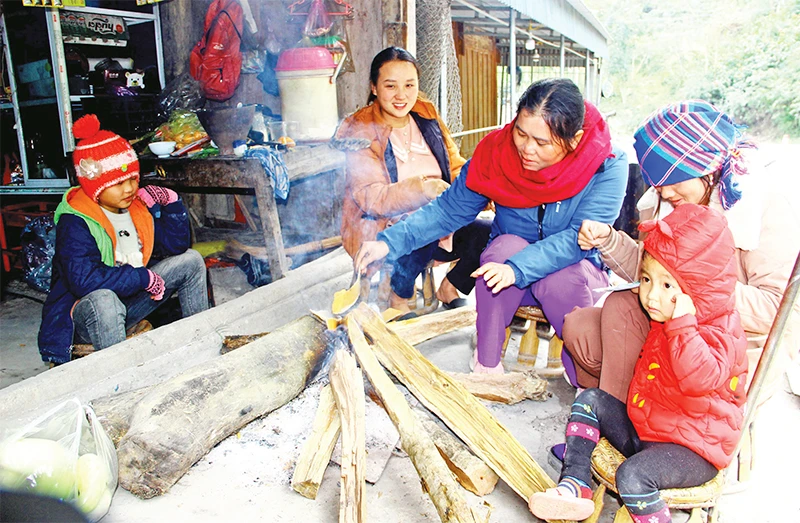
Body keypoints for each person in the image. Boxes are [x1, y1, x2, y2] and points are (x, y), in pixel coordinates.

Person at [355, 78, 628, 374]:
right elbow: (448, 209)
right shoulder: (496, 155)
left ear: (574, 140)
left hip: (572, 282)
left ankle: (584, 374)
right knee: (501, 251)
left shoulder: (606, 164)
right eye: (521, 134)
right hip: (507, 278)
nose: (526, 149)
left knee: (559, 274)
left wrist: (517, 268)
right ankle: (487, 364)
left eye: (542, 142)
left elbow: (577, 240)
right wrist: (388, 242)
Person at [563, 100, 800, 401]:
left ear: (707, 167)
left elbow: (779, 309)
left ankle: (632, 421)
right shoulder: (667, 199)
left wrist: (690, 293)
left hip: (726, 343)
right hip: (668, 325)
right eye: (657, 183)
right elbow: (652, 269)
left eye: (673, 180)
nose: (664, 192)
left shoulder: (761, 208)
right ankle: (622, 413)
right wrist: (609, 240)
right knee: (585, 326)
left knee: (626, 315)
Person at [529, 203, 748, 522]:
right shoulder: (666, 318)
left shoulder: (720, 329)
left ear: (697, 290)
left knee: (632, 478)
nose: (651, 296)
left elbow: (699, 379)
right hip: (649, 429)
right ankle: (576, 485)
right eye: (646, 280)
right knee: (590, 401)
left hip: (693, 447)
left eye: (667, 286)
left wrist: (684, 325)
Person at [37, 114, 209, 365]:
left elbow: (174, 248)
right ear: (95, 186)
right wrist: (141, 277)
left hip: (128, 304)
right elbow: (85, 281)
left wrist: (171, 205)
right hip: (86, 316)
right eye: (118, 183)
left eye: (132, 179)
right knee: (105, 298)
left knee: (191, 260)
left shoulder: (134, 208)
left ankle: (201, 345)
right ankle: (120, 376)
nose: (129, 188)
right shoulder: (76, 221)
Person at [332, 47, 491, 315]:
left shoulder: (426, 116)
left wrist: (485, 190)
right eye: (390, 85)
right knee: (420, 227)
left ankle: (450, 288)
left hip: (442, 223)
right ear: (373, 87)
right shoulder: (360, 130)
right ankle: (399, 299)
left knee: (492, 232)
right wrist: (423, 189)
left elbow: (455, 166)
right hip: (384, 229)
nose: (401, 95)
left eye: (409, 84)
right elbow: (372, 197)